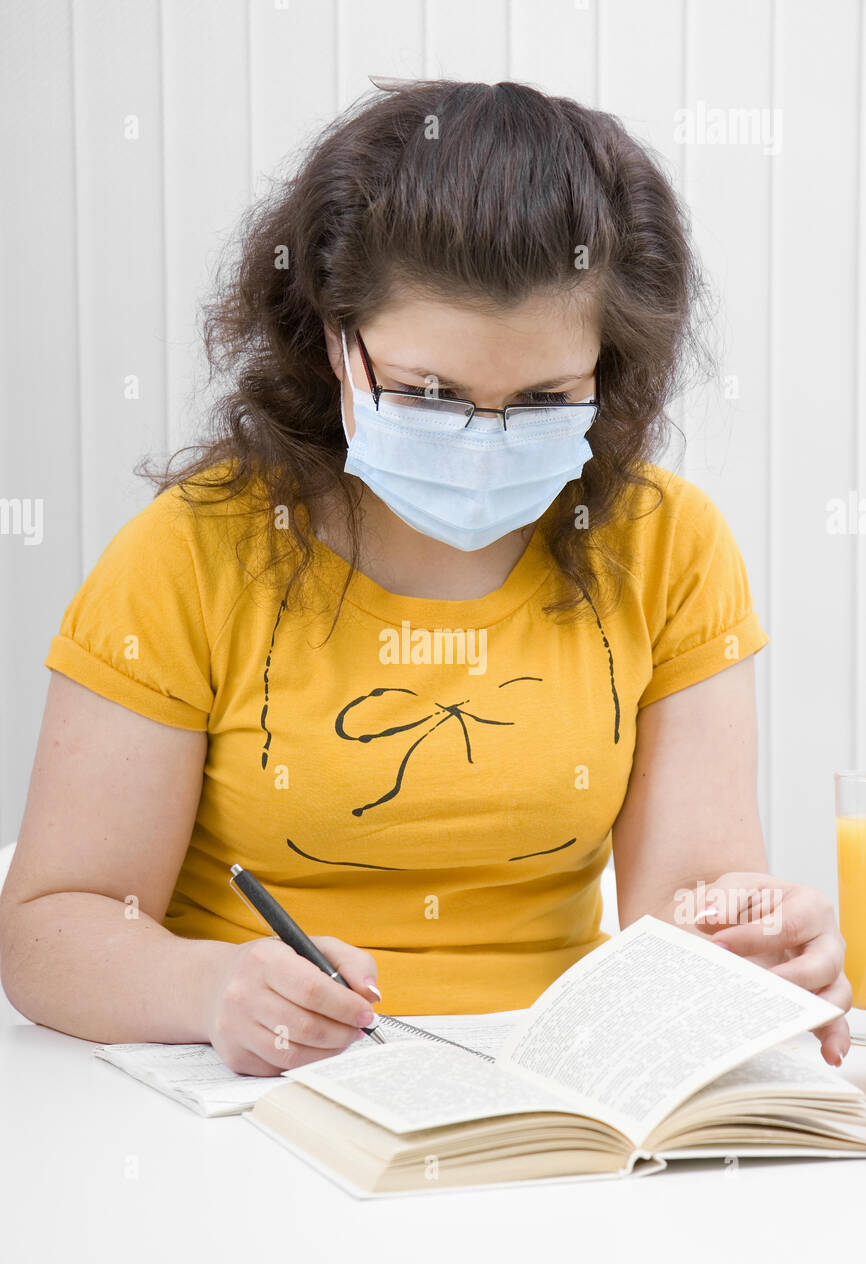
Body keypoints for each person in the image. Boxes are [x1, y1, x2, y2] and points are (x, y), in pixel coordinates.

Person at [0, 79, 851, 1076]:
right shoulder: (191, 552)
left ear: (606, 372)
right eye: (429, 393)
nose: (483, 444)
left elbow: (684, 909)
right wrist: (211, 987)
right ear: (330, 335)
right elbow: (50, 929)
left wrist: (748, 946)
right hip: (251, 1105)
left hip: (549, 1100)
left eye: (540, 399)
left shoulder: (665, 547)